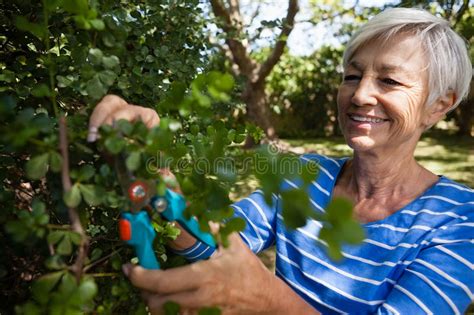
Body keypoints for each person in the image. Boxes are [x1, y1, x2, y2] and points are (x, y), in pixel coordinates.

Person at [88, 7, 474, 314]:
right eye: (352, 76)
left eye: (389, 81)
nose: (359, 96)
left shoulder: (461, 220)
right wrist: (145, 157)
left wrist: (267, 301)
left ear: (439, 105)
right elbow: (210, 245)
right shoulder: (307, 176)